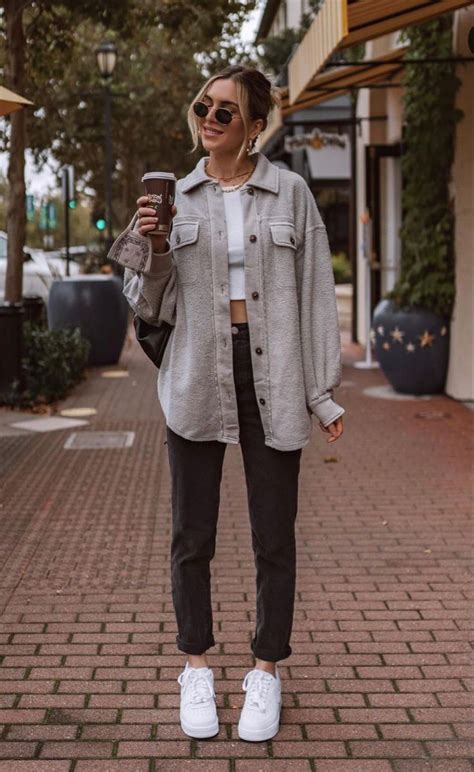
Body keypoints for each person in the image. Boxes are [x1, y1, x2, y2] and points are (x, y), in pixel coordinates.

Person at [109, 64, 345, 743]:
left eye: (225, 113)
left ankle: (266, 671)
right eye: (202, 107)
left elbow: (316, 295)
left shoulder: (291, 193)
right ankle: (197, 667)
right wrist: (153, 248)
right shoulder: (175, 197)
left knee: (274, 537)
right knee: (192, 536)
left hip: (274, 372)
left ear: (255, 126)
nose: (208, 120)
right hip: (196, 373)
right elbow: (147, 304)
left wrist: (322, 394)